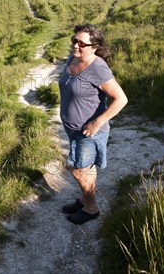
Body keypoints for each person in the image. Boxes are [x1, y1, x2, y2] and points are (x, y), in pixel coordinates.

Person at [58, 23, 128, 225]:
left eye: (81, 43)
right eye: (74, 40)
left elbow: (121, 99)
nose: (76, 46)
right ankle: (84, 199)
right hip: (73, 129)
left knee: (80, 171)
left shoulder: (98, 69)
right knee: (87, 168)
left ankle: (91, 208)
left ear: (94, 46)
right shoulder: (73, 58)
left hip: (88, 133)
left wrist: (97, 122)